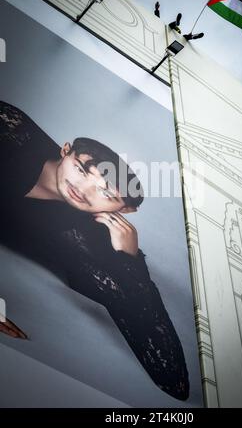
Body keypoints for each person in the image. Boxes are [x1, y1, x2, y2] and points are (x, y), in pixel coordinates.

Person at [0, 100, 189, 401]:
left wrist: (131, 262)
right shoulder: (11, 131)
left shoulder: (84, 240)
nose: (84, 189)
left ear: (125, 209)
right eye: (80, 168)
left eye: (105, 192)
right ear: (64, 150)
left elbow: (173, 381)